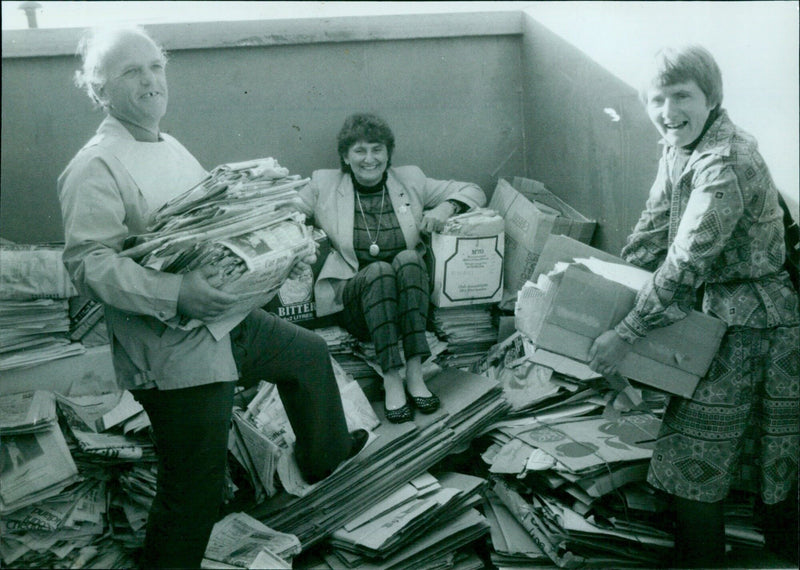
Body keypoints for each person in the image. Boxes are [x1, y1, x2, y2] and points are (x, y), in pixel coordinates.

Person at [59, 25, 365, 569]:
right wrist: (178, 292)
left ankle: (322, 465)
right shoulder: (95, 166)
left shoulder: (168, 145)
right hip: (173, 349)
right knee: (193, 493)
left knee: (308, 355)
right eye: (131, 71)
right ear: (99, 90)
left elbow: (216, 223)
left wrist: (279, 249)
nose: (151, 80)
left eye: (155, 66)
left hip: (227, 318)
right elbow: (88, 265)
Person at [588, 45, 799, 568]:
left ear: (711, 97)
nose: (667, 110)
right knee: (719, 456)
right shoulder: (678, 145)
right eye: (656, 99)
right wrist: (601, 292)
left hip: (755, 320)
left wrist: (625, 332)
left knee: (695, 461)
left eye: (681, 95)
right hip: (717, 313)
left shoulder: (726, 160)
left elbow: (685, 261)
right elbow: (652, 229)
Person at [297, 113, 486, 423]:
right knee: (380, 271)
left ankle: (414, 372)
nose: (369, 158)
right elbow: (288, 208)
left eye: (377, 149)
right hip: (357, 303)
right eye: (359, 150)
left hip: (407, 302)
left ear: (388, 153)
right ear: (345, 156)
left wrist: (444, 207)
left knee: (410, 260)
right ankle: (391, 377)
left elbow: (474, 190)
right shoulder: (323, 185)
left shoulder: (411, 180)